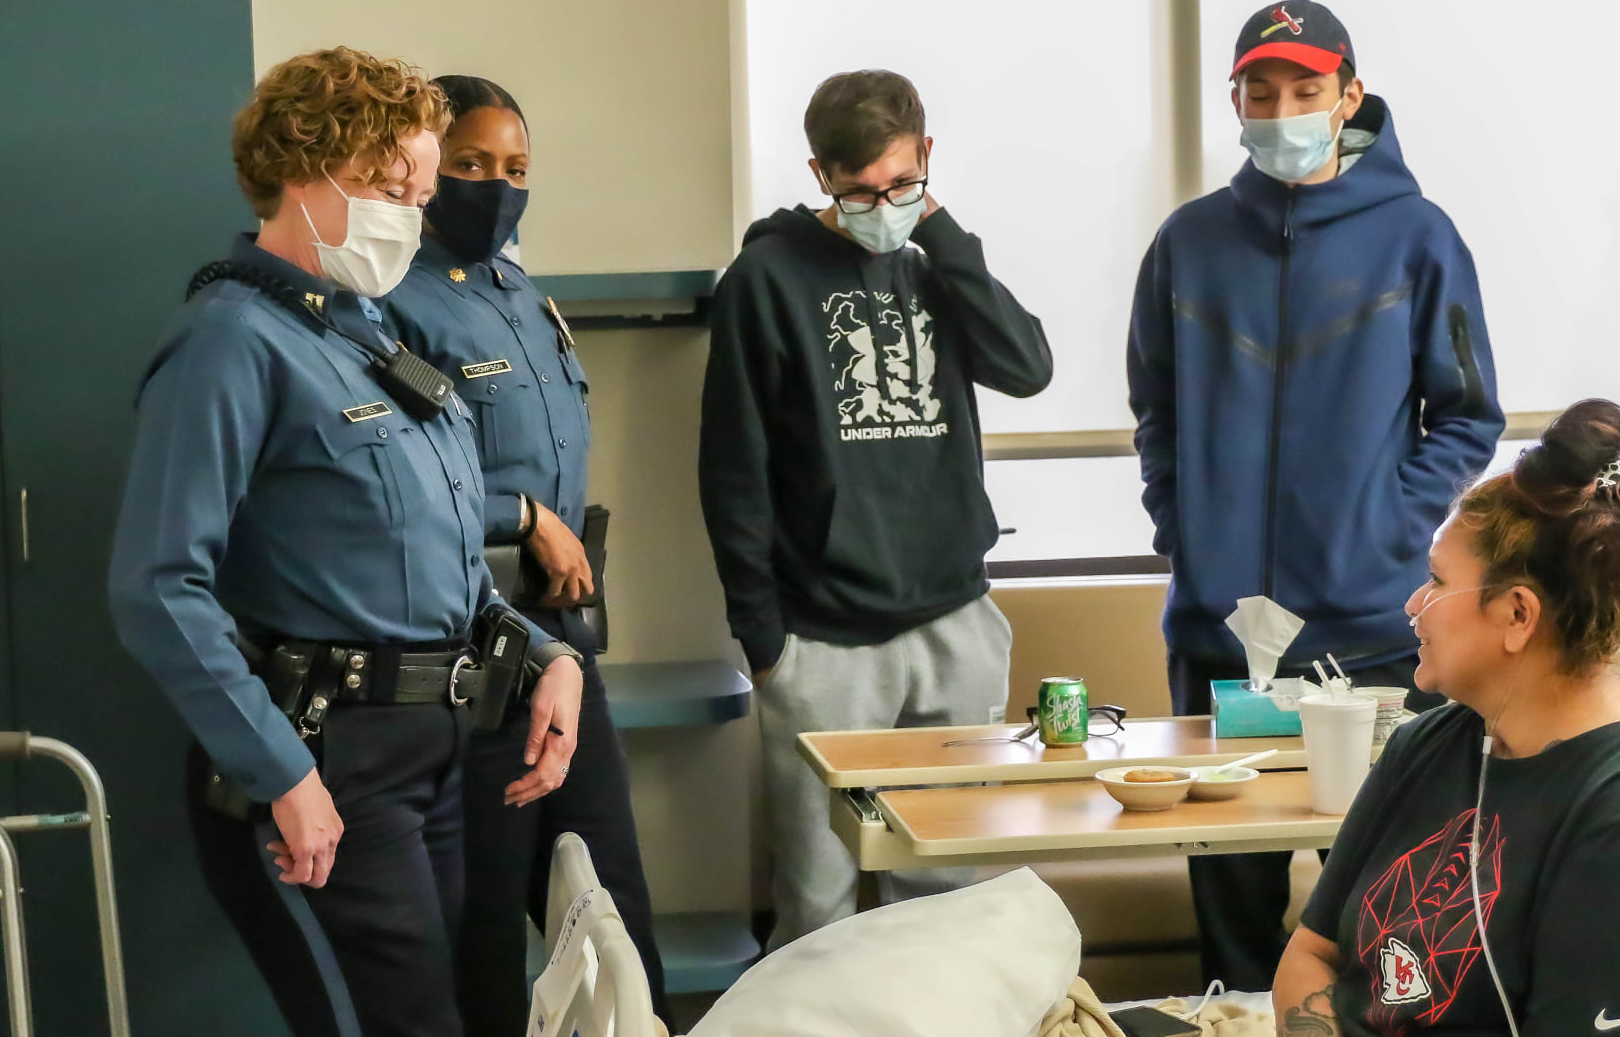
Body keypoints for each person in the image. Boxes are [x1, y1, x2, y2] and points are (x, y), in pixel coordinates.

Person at [107, 49, 584, 1037]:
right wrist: (281, 770)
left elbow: (439, 551)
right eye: (381, 185)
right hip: (325, 759)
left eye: (415, 191)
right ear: (301, 166)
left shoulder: (366, 334)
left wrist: (543, 654)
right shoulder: (229, 342)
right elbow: (158, 586)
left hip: (432, 752)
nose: (403, 214)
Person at [1126, 0, 1505, 991]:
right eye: (1262, 91)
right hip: (1218, 633)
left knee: (1386, 895)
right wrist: (1183, 524)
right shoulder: (1187, 243)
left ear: (1348, 97)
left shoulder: (1417, 238)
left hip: (1376, 633)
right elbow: (1155, 410)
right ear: (1236, 101)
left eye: (1305, 90)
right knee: (1231, 889)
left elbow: (1467, 414)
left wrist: (1384, 525)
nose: (1282, 109)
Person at [699, 69, 1053, 948]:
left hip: (954, 619)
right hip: (822, 637)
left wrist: (945, 236)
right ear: (819, 173)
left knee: (942, 893)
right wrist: (762, 636)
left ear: (926, 158)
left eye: (900, 184)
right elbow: (734, 466)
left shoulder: (937, 264)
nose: (881, 205)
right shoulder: (764, 278)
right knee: (817, 897)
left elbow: (1027, 366)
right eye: (859, 190)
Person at [1272, 399, 1620, 1036]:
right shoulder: (1426, 746)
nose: (1413, 604)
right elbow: (1312, 953)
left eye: (1434, 579)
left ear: (1517, 616)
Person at [379, 74, 672, 1032]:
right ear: (424, 168)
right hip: (473, 638)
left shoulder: (517, 286)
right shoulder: (391, 297)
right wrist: (522, 514)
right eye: (469, 164)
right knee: (488, 914)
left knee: (613, 886)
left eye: (515, 168)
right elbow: (408, 475)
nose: (495, 186)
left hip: (563, 633)